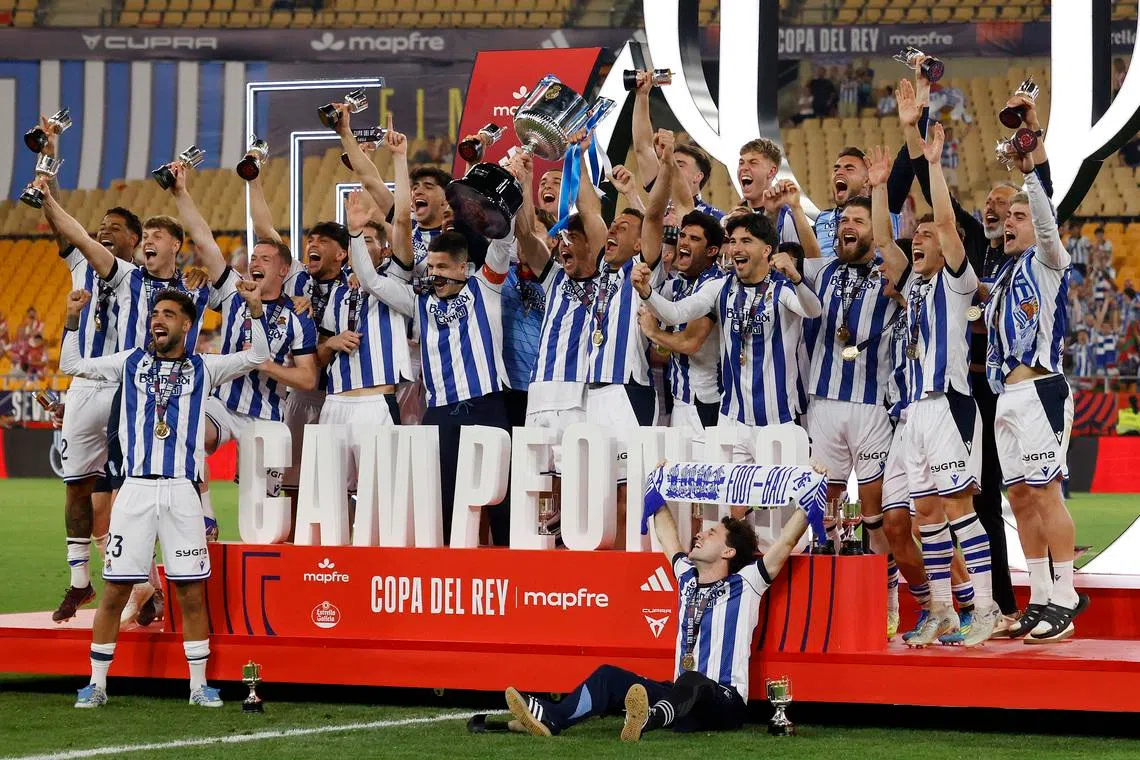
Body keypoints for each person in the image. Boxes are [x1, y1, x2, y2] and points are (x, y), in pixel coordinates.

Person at [60, 284, 270, 708]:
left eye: (169, 314)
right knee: (116, 589)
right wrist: (70, 320)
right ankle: (97, 683)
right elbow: (71, 364)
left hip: (181, 491)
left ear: (187, 325)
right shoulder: (129, 362)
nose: (158, 319)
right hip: (135, 489)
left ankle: (198, 687)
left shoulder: (204, 367)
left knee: (190, 592)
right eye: (156, 313)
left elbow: (257, 358)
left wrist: (254, 311)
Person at [503, 484, 817, 740]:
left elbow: (787, 541)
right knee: (609, 677)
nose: (700, 535)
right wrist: (658, 486)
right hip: (679, 698)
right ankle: (554, 718)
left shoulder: (747, 583)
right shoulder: (686, 577)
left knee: (694, 681)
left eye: (711, 534)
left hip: (724, 701)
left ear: (728, 552)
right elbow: (668, 535)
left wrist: (811, 492)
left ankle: (648, 718)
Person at [871, 130, 999, 647]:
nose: (917, 241)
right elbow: (883, 239)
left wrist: (933, 164)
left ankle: (986, 607)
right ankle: (943, 610)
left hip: (949, 404)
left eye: (925, 237)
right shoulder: (917, 284)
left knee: (957, 509)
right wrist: (881, 187)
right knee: (924, 513)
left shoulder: (955, 280)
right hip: (913, 413)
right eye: (917, 236)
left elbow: (946, 222)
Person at [36, 120, 141, 622]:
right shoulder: (81, 260)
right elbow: (64, 228)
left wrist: (50, 188)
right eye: (100, 225)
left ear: (137, 241)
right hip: (82, 387)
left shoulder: (136, 276)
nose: (102, 231)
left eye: (114, 227)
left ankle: (142, 584)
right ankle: (79, 580)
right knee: (76, 486)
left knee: (134, 489)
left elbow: (71, 227)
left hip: (124, 385)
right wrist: (49, 157)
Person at [985, 146, 1085, 644]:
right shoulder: (1002, 275)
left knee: (1046, 493)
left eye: (1018, 216)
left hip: (1041, 391)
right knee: (1019, 498)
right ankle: (1040, 595)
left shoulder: (1049, 260)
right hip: (1006, 395)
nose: (1010, 223)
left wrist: (1033, 180)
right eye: (1007, 218)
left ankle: (1066, 595)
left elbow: (1047, 225)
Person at [634, 211, 821, 477]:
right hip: (731, 420)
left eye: (746, 241)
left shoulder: (782, 288)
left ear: (767, 249)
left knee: (778, 510)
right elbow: (675, 313)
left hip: (777, 420)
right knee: (727, 507)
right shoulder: (721, 287)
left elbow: (813, 310)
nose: (736, 248)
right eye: (733, 241)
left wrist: (796, 278)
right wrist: (647, 292)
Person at [320, 186, 415, 501]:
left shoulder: (398, 282)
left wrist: (357, 230)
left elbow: (373, 275)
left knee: (380, 499)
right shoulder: (338, 293)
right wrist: (332, 342)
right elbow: (318, 356)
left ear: (385, 251)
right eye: (356, 242)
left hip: (375, 403)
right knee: (328, 502)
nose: (361, 245)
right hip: (334, 403)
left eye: (369, 241)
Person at [638, 211, 725, 458]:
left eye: (695, 239)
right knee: (679, 488)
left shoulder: (716, 285)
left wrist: (653, 331)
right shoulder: (677, 284)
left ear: (712, 251)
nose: (684, 242)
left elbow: (690, 343)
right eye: (683, 235)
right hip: (680, 399)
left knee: (707, 488)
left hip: (705, 402)